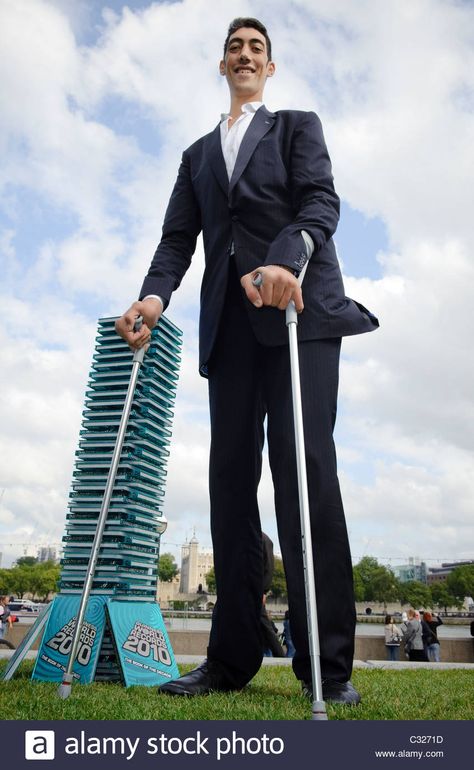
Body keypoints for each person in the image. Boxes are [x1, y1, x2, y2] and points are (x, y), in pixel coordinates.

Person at [116, 17, 378, 706]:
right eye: (235, 46)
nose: (245, 54)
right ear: (221, 63)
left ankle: (328, 665)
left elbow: (321, 204)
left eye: (256, 47)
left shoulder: (296, 126)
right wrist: (151, 298)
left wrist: (286, 260)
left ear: (270, 65)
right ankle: (229, 660)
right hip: (229, 328)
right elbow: (177, 240)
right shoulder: (198, 155)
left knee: (305, 475)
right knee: (230, 482)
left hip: (299, 315)